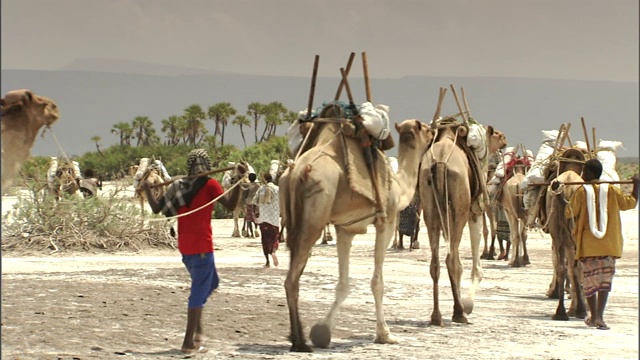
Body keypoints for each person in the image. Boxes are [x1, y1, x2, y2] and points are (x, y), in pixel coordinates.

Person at [140, 149, 246, 354]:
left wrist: (146, 189)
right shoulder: (210, 184)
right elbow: (232, 205)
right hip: (202, 247)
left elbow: (157, 208)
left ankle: (198, 332)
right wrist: (240, 180)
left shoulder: (178, 185)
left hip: (186, 246)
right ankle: (189, 342)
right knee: (198, 292)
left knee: (212, 283)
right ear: (207, 166)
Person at [561, 159, 638, 330]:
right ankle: (600, 317)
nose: (581, 175)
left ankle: (593, 316)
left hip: (588, 246)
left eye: (583, 172)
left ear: (587, 173)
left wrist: (562, 197)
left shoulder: (581, 192)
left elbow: (569, 213)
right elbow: (630, 203)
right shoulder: (611, 190)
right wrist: (636, 186)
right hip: (609, 245)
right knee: (604, 282)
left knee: (589, 281)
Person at [252, 172, 280, 268]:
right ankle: (273, 251)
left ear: (264, 179)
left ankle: (267, 262)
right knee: (275, 238)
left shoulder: (261, 189)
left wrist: (254, 214)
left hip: (263, 219)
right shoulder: (277, 189)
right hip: (274, 220)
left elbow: (254, 201)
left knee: (265, 240)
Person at [241, 173, 260, 238]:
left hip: (249, 203)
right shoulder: (258, 185)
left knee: (248, 219)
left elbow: (244, 193)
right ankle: (256, 229)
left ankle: (251, 233)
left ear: (249, 178)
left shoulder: (247, 185)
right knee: (256, 217)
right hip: (256, 204)